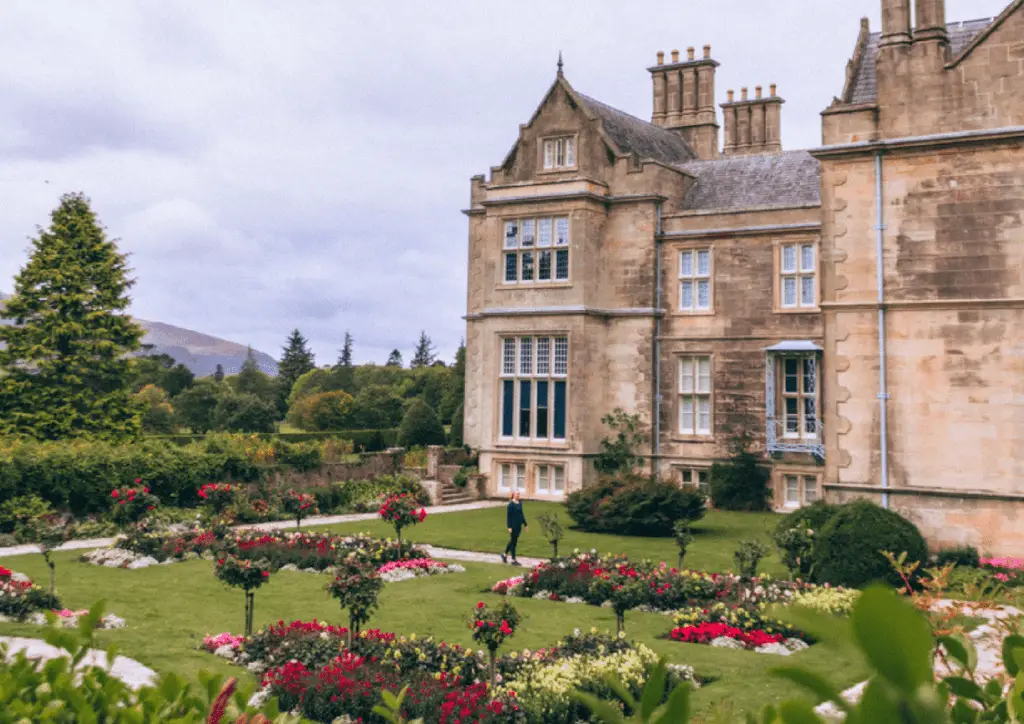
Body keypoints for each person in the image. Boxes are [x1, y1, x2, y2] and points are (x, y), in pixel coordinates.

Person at [501, 490, 528, 565]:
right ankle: (513, 559)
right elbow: (508, 517)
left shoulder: (519, 503)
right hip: (513, 526)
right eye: (517, 494)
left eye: (519, 494)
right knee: (513, 542)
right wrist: (509, 527)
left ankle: (504, 555)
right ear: (513, 495)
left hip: (518, 525)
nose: (518, 495)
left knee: (513, 541)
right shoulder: (510, 505)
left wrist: (525, 524)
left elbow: (521, 514)